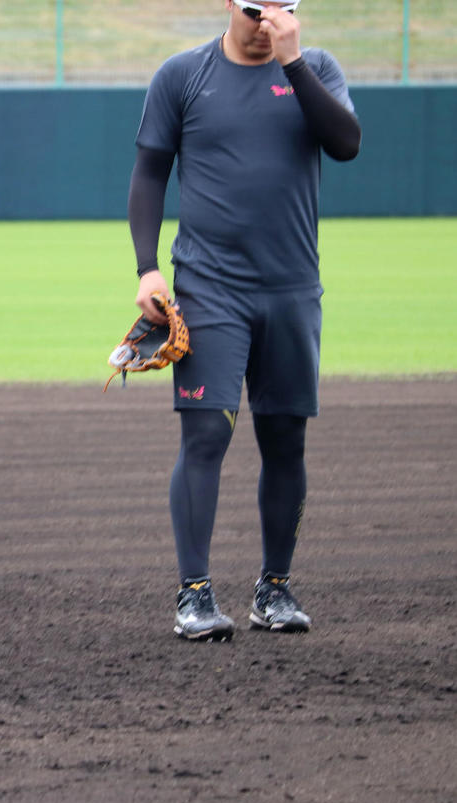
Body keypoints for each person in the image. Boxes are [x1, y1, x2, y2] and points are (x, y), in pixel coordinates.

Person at [127, 0, 360, 640]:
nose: (269, 19)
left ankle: (274, 589)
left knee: (286, 440)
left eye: (284, 6)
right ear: (231, 5)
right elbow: (150, 172)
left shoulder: (316, 68)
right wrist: (148, 269)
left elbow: (345, 144)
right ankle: (194, 595)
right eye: (257, 7)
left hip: (291, 289)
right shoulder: (183, 74)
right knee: (205, 435)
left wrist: (293, 64)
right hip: (209, 287)